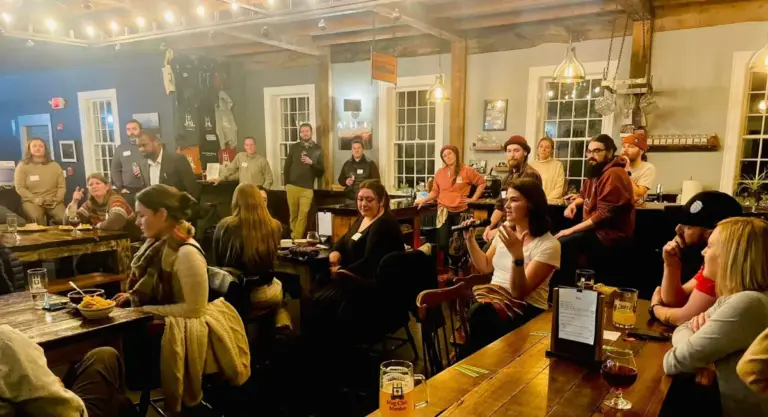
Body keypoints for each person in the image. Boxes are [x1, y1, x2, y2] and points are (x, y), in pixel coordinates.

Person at [662, 217, 768, 417]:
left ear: (730, 255)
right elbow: (683, 327)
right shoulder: (732, 298)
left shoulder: (748, 303)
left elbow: (673, 361)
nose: (703, 251)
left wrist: (699, 357)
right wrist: (702, 358)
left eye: (710, 246)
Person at [459, 178, 560, 352]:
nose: (506, 206)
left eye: (514, 200)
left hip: (528, 311)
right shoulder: (506, 230)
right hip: (494, 302)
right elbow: (485, 265)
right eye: (507, 199)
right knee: (481, 314)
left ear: (531, 205)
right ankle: (478, 366)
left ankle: (473, 368)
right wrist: (469, 240)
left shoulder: (549, 245)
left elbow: (519, 293)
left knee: (480, 315)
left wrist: (517, 256)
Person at [311, 180, 404, 338]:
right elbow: (343, 241)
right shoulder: (363, 218)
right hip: (352, 277)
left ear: (381, 201)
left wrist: (341, 272)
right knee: (315, 288)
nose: (363, 204)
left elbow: (370, 263)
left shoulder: (384, 225)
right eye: (360, 199)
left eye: (369, 200)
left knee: (319, 301)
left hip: (372, 287)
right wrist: (335, 252)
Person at [649, 191, 742, 326]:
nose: (678, 229)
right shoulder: (714, 261)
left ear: (712, 232)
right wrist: (671, 265)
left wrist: (655, 308)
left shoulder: (725, 267)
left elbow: (683, 317)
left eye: (688, 225)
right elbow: (675, 301)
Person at [0, 325, 135, 417]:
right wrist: (56, 386)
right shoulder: (5, 341)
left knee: (122, 403)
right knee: (106, 356)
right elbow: (64, 410)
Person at [554, 134, 634, 283]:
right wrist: (573, 204)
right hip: (595, 232)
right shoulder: (596, 170)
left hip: (608, 236)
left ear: (609, 152)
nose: (592, 155)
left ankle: (566, 294)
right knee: (556, 242)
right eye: (589, 151)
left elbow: (604, 215)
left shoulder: (614, 174)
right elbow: (584, 195)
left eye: (597, 151)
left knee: (560, 245)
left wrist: (571, 230)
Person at [213, 183, 289, 326]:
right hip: (262, 292)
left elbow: (218, 262)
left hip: (232, 292)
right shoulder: (275, 226)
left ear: (236, 201)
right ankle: (281, 325)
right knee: (279, 288)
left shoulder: (224, 226)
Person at [415, 145, 485, 265]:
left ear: (456, 154)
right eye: (444, 155)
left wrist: (473, 198)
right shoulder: (440, 173)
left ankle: (460, 268)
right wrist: (423, 200)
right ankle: (450, 265)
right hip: (444, 211)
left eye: (450, 153)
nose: (448, 157)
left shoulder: (467, 170)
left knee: (460, 244)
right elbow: (435, 192)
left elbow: (482, 182)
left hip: (462, 211)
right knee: (442, 242)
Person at [482, 135, 542, 242]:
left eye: (516, 151)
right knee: (470, 237)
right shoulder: (507, 178)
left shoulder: (530, 175)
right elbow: (500, 205)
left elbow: (525, 212)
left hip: (522, 229)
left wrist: (499, 231)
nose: (512, 155)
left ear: (525, 152)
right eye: (509, 151)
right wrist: (489, 226)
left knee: (486, 252)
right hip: (505, 225)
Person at [283, 123, 324, 240]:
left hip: (307, 188)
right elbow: (287, 166)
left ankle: (294, 239)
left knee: (303, 216)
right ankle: (295, 240)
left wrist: (312, 163)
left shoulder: (317, 149)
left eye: (307, 131)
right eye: (303, 131)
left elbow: (321, 172)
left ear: (311, 132)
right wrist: (286, 184)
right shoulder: (294, 147)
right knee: (293, 216)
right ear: (300, 133)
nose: (305, 133)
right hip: (292, 186)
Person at [13, 138, 66, 225]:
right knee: (36, 218)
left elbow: (61, 186)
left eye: (41, 146)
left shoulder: (55, 166)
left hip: (53, 200)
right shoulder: (22, 166)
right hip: (31, 200)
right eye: (34, 146)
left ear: (45, 149)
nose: (38, 148)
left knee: (64, 218)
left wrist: (57, 199)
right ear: (29, 149)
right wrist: (35, 199)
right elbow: (20, 188)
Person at [137, 131, 199, 200]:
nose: (141, 149)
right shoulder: (143, 165)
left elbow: (192, 189)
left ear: (156, 142)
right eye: (139, 146)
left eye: (144, 145)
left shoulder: (177, 160)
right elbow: (145, 193)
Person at [66, 173, 135, 232]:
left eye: (98, 183)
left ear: (107, 187)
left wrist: (97, 226)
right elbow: (69, 224)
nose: (94, 186)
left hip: (130, 241)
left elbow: (115, 222)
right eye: (91, 185)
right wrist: (74, 203)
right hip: (107, 240)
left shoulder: (116, 200)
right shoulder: (89, 203)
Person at [110, 119, 146, 207]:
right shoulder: (121, 148)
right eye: (128, 129)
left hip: (146, 189)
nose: (131, 132)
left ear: (141, 130)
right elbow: (115, 169)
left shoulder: (147, 146)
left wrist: (143, 170)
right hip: (128, 191)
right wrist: (120, 188)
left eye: (134, 129)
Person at [337, 139, 380, 203]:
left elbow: (377, 182)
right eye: (354, 148)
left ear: (363, 150)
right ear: (352, 150)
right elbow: (340, 180)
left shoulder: (370, 164)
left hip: (365, 200)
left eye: (359, 148)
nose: (356, 150)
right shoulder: (347, 164)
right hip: (350, 199)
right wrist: (346, 181)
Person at [622, 132, 656, 206]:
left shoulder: (648, 168)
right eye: (624, 146)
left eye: (631, 147)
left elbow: (637, 195)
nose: (625, 150)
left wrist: (627, 171)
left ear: (641, 151)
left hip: (636, 212)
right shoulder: (617, 166)